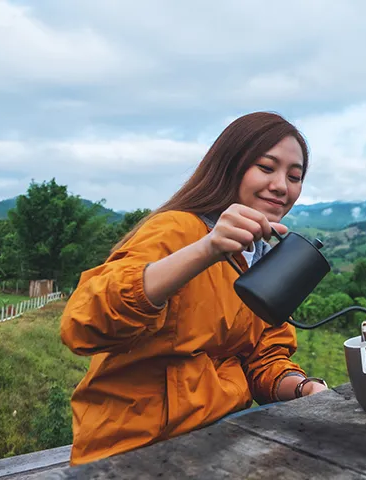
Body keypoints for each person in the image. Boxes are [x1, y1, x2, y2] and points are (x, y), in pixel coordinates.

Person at [59, 111, 328, 466]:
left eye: (294, 176)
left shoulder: (267, 256)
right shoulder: (177, 230)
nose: (282, 185)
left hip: (220, 441)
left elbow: (264, 358)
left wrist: (304, 389)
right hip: (134, 450)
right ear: (230, 166)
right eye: (266, 167)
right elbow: (82, 325)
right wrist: (207, 249)